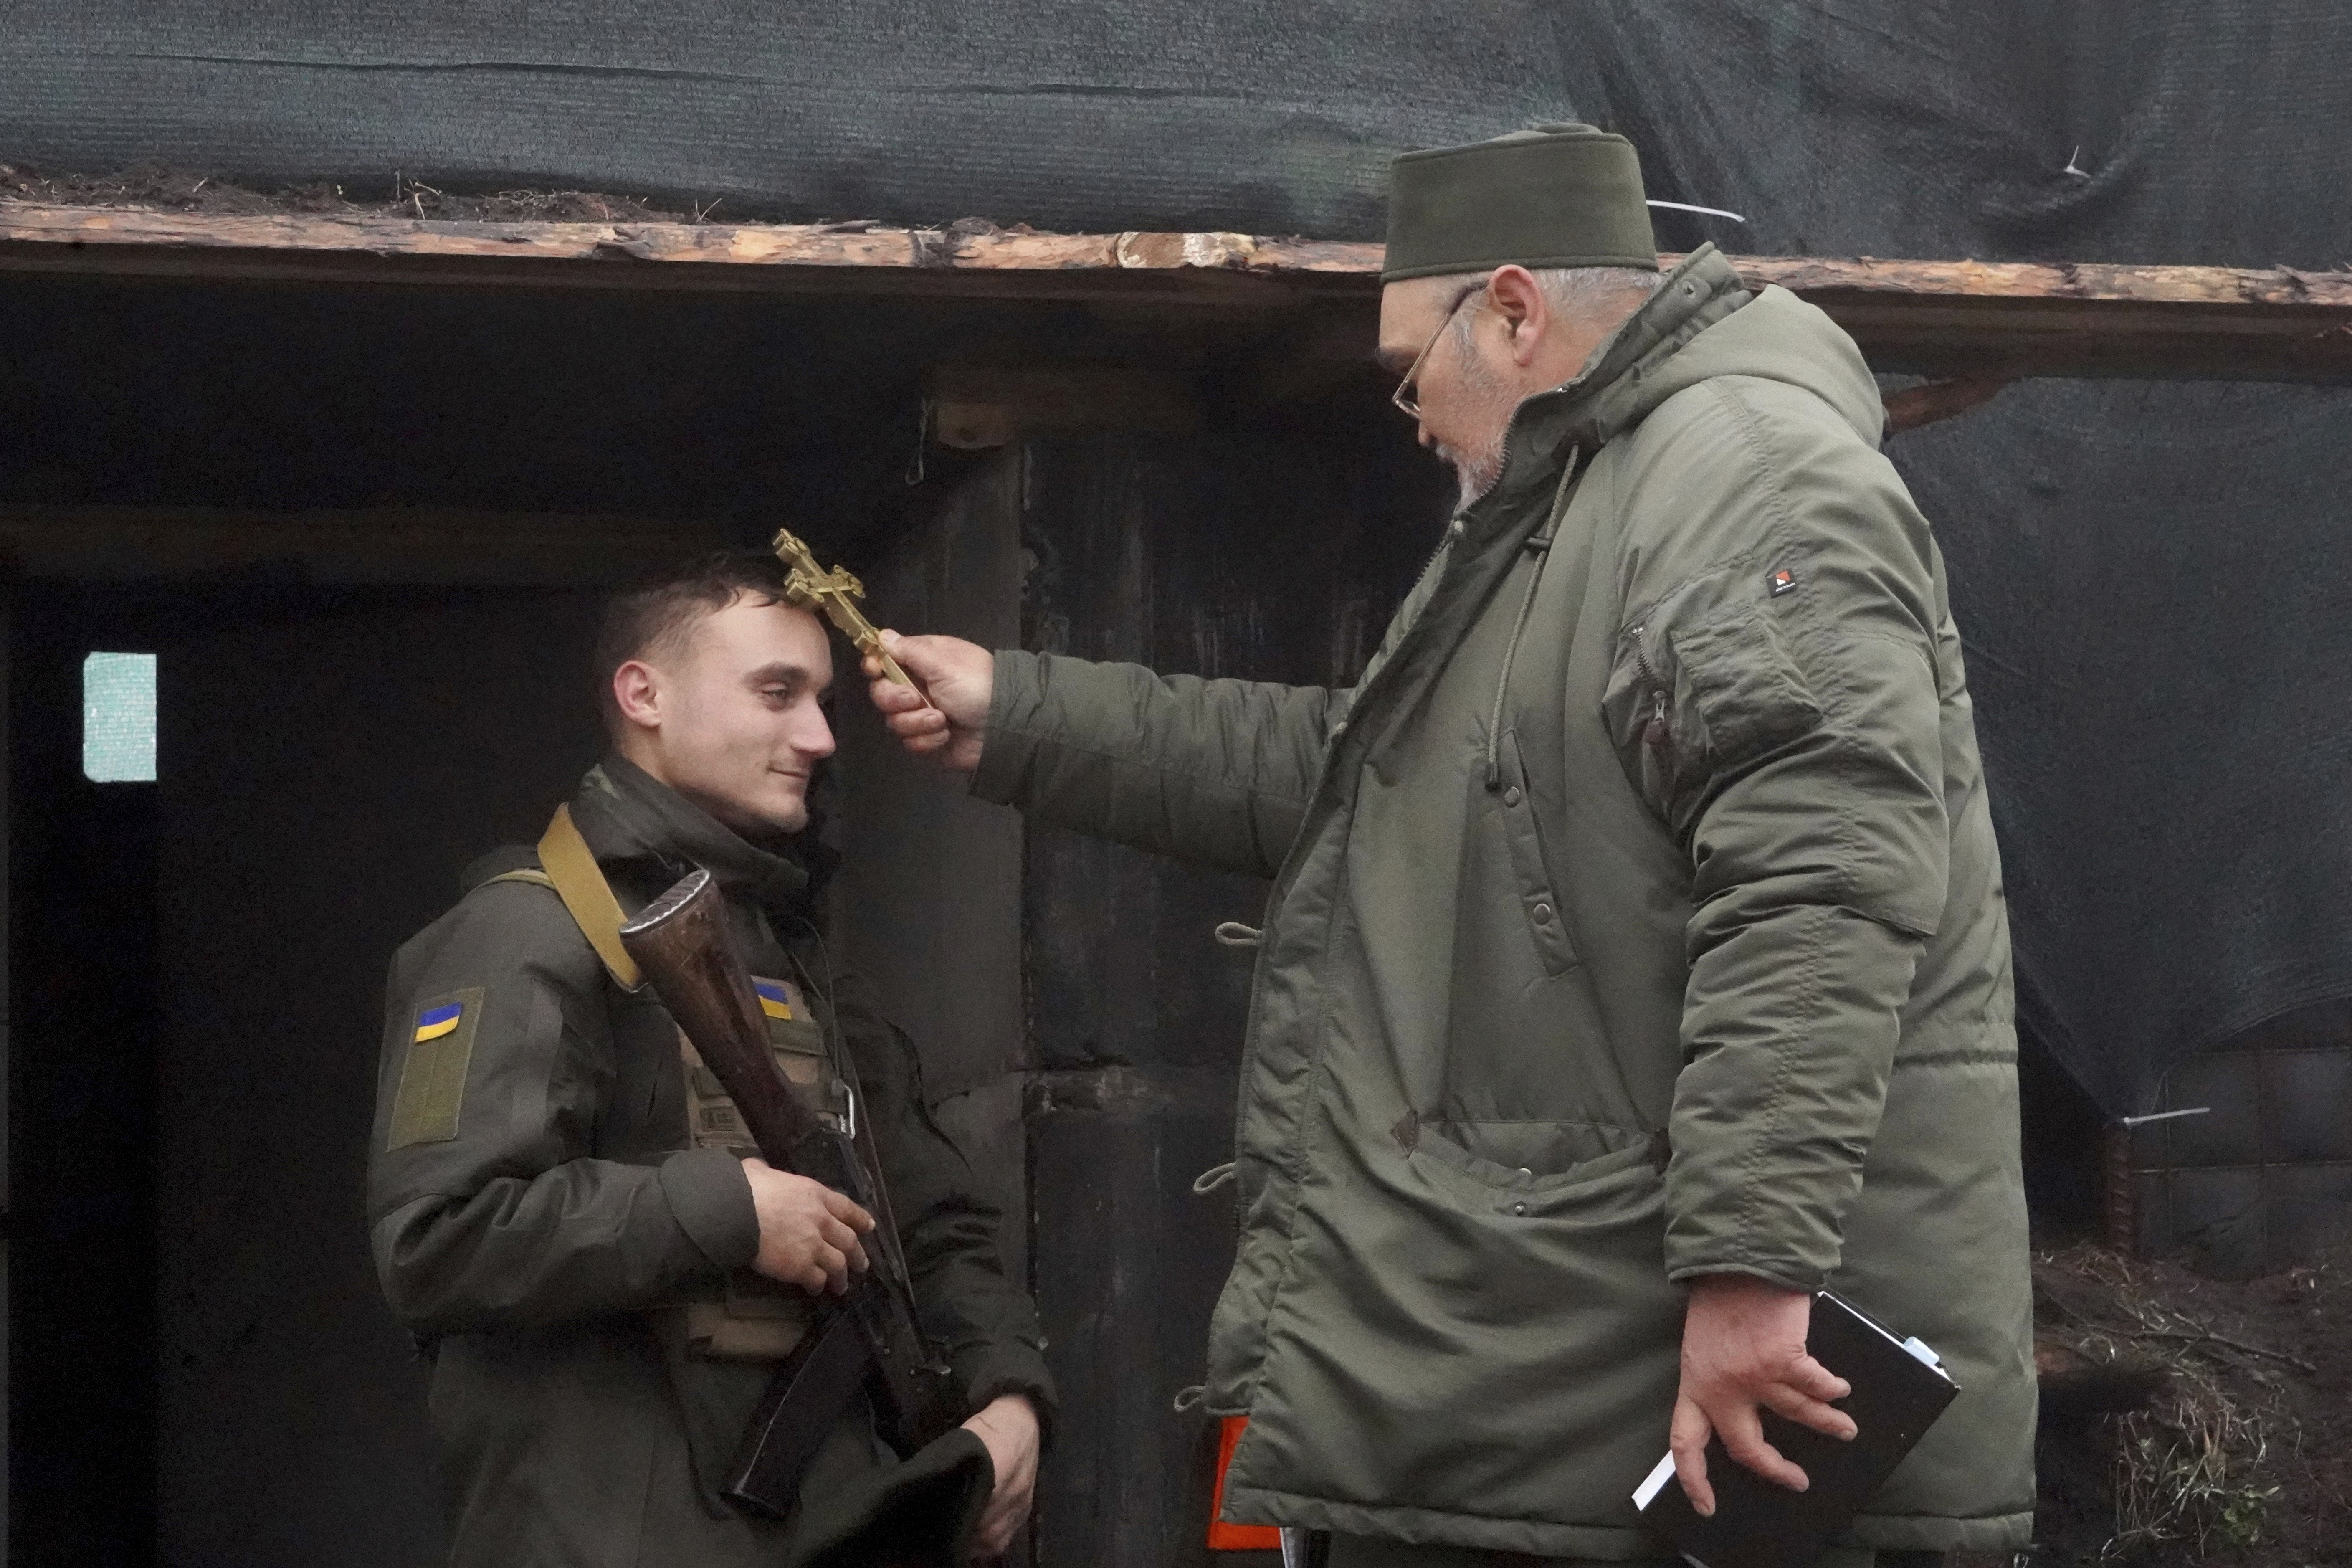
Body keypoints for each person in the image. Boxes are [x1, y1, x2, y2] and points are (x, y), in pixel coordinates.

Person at [866, 125, 2033, 1568]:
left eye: (1410, 368)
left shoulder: (1742, 480)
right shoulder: (1579, 512)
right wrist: (1024, 713)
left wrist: (1750, 1272)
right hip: (1584, 1381)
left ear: (1513, 309)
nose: (1409, 415)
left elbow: (1821, 883)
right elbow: (1367, 778)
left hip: (1712, 1399)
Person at [367, 552, 1052, 1567]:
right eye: (776, 694)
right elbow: (437, 1237)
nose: (819, 737)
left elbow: (930, 1223)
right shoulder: (526, 934)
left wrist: (1008, 1395)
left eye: (822, 700)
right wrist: (728, 1212)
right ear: (643, 694)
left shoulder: (792, 952)